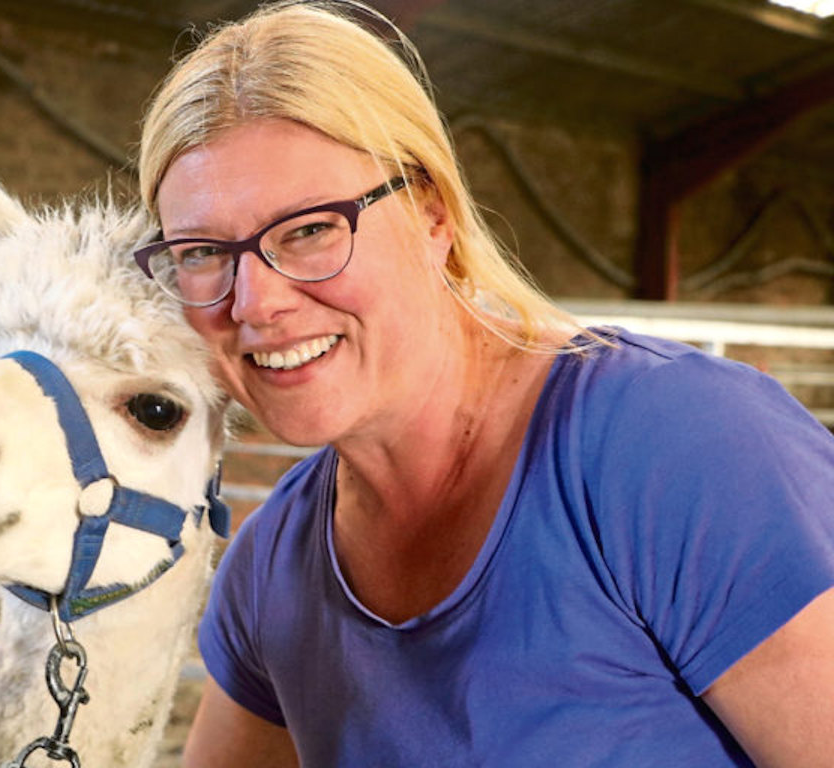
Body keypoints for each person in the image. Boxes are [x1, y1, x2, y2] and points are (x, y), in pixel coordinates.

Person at [135, 2, 834, 765]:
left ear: (433, 214)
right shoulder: (271, 569)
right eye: (202, 252)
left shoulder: (678, 446)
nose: (255, 302)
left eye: (309, 230)